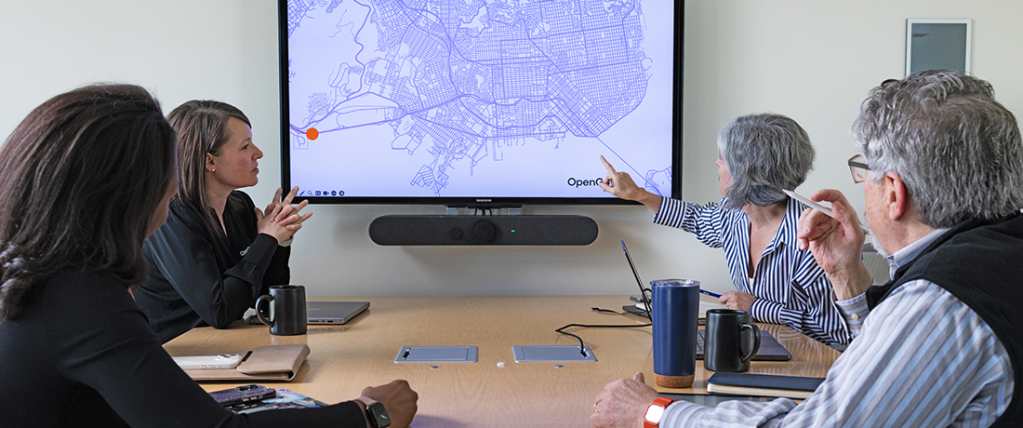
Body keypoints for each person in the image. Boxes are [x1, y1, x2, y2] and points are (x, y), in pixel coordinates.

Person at [591, 70, 1020, 427]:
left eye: (863, 170)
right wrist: (845, 275)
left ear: (893, 192)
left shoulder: (939, 304)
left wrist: (652, 412)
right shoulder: (997, 257)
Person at [0, 84, 418, 427]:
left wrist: (275, 241)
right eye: (167, 171)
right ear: (126, 191)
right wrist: (369, 415)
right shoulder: (80, 300)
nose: (172, 186)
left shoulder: (46, 278)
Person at [600, 113, 849, 346]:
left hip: (810, 365)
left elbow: (834, 331)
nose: (717, 161)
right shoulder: (735, 213)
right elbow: (697, 218)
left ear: (748, 171)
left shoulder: (814, 236)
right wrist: (638, 195)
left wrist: (758, 307)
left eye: (725, 157)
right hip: (758, 349)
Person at [132, 100, 312, 343]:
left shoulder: (240, 207)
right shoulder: (172, 216)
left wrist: (279, 240)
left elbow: (265, 301)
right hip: (179, 354)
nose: (258, 153)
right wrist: (265, 239)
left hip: (222, 349)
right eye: (245, 146)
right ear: (210, 161)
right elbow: (220, 311)